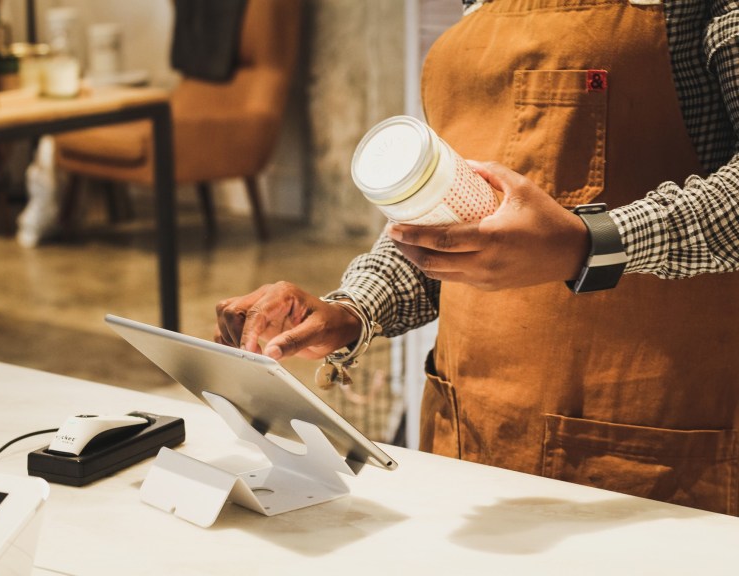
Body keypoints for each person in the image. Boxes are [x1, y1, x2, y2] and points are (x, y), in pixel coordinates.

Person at [216, 0, 739, 516]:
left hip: (653, 440)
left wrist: (590, 242)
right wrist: (353, 309)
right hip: (467, 428)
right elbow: (450, 220)